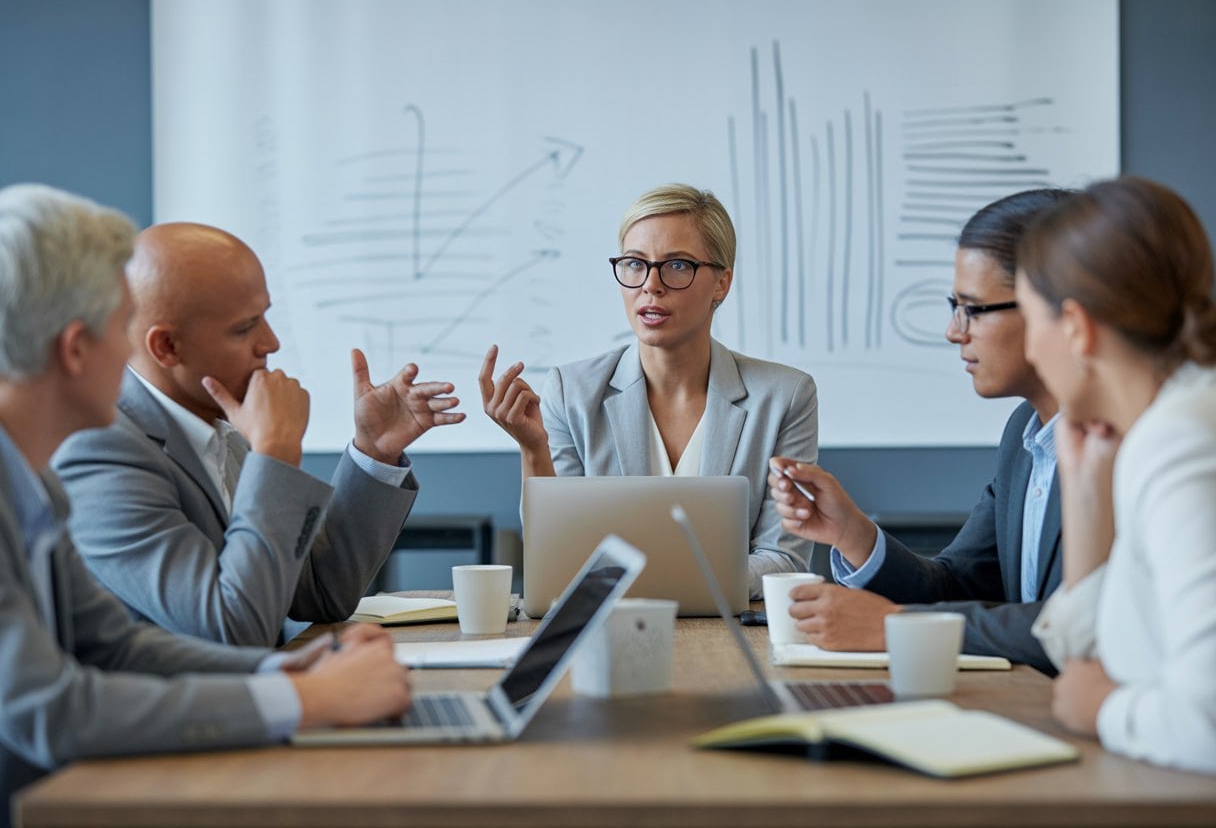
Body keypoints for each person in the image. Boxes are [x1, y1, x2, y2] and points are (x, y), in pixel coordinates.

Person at [0, 184, 412, 826]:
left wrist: (285, 668)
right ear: (77, 347)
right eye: (119, 323)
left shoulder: (32, 481)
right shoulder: (85, 458)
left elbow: (113, 647)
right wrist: (300, 700)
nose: (131, 348)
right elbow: (52, 711)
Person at [51, 221, 464, 646]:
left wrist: (373, 450)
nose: (271, 342)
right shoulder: (99, 449)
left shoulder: (219, 419)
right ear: (168, 347)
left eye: (266, 315)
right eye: (245, 328)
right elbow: (232, 629)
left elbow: (320, 592)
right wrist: (275, 454)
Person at [768, 189, 1072, 673]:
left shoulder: (1131, 445)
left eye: (972, 308)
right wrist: (852, 534)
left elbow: (1077, 628)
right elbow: (955, 586)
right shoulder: (1024, 435)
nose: (955, 331)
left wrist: (894, 624)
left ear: (1055, 308)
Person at [481, 183, 818, 596]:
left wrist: (652, 581)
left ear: (721, 284)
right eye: (635, 264)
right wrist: (533, 450)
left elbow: (784, 560)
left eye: (677, 265)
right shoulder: (572, 392)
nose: (650, 285)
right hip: (611, 630)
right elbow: (556, 562)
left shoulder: (785, 396)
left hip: (728, 633)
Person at [1020, 177, 1216, 773]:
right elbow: (1084, 662)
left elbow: (1207, 724)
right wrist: (1085, 500)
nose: (1031, 350)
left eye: (1031, 321)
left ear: (1076, 327)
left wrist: (1104, 710)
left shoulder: (1180, 442)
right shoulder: (1157, 427)